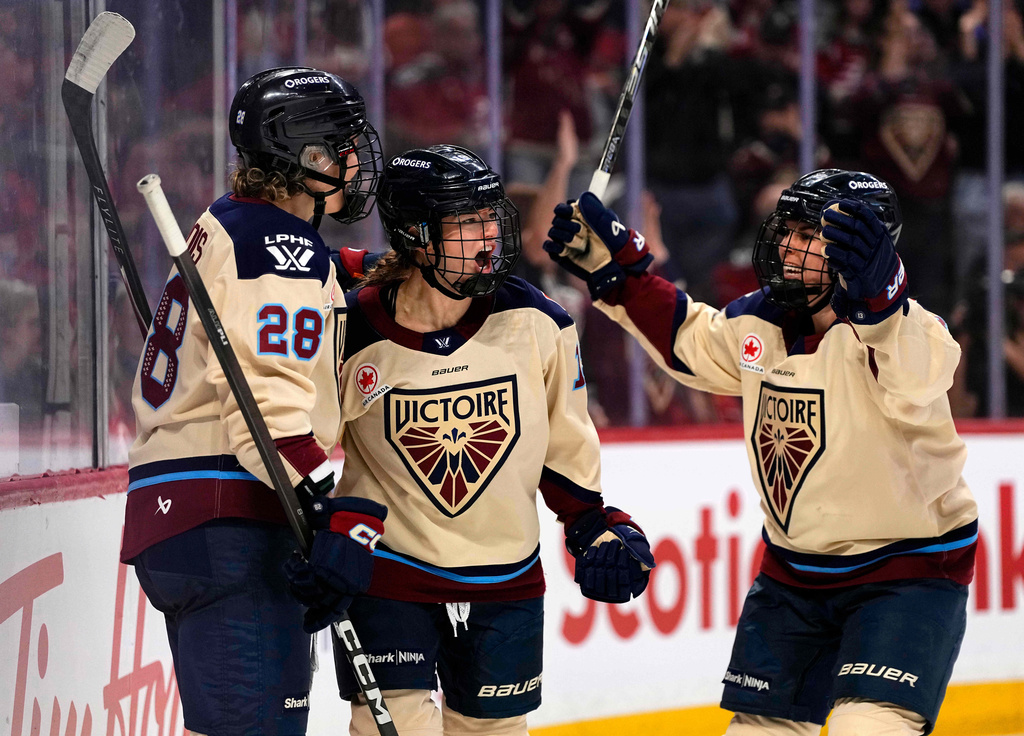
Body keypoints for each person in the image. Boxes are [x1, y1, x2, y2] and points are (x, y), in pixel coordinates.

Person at [544, 169, 978, 735]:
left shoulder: (906, 333)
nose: (791, 248)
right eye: (789, 232)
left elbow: (920, 373)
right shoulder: (763, 317)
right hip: (794, 574)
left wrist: (885, 298)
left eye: (812, 236)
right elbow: (689, 341)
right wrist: (618, 277)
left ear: (862, 248)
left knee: (868, 728)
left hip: (906, 572)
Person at [333, 144, 655, 736]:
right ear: (415, 234)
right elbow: (301, 434)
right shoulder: (349, 328)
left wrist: (594, 528)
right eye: (466, 221)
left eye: (490, 217)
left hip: (503, 576)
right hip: (389, 574)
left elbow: (565, 449)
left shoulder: (539, 322)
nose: (488, 237)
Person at [121, 67, 387, 736]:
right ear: (304, 157)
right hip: (232, 522)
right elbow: (266, 418)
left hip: (184, 520)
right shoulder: (279, 248)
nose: (355, 160)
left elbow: (283, 290)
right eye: (340, 145)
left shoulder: (230, 223)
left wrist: (352, 267)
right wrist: (331, 509)